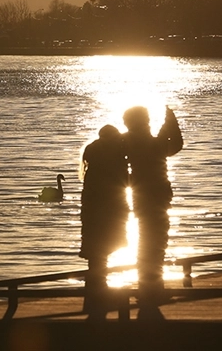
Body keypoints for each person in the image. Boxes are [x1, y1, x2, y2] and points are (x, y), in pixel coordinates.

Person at [123, 105, 183, 307]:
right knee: (154, 244)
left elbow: (169, 143)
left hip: (143, 198)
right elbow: (174, 144)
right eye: (146, 119)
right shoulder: (146, 142)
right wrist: (170, 121)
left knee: (149, 243)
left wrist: (168, 124)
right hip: (155, 198)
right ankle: (151, 290)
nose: (149, 122)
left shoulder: (128, 141)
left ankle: (148, 288)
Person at [79, 124, 130, 316]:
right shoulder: (113, 155)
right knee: (104, 249)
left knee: (97, 252)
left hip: (92, 210)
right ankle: (99, 295)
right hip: (110, 209)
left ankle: (95, 295)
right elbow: (125, 181)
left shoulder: (93, 153)